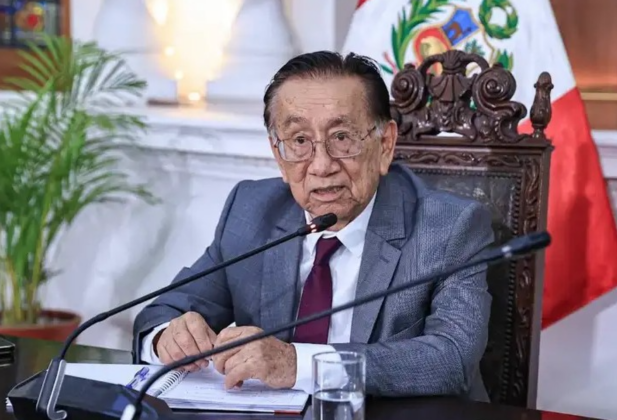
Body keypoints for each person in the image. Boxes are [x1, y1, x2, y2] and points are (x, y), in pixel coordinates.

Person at [132, 51, 494, 401]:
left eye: (342, 137)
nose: (321, 166)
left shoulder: (448, 228)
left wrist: (299, 365)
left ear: (385, 144)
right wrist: (168, 338)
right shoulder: (251, 212)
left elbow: (452, 358)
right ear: (278, 154)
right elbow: (163, 313)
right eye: (300, 141)